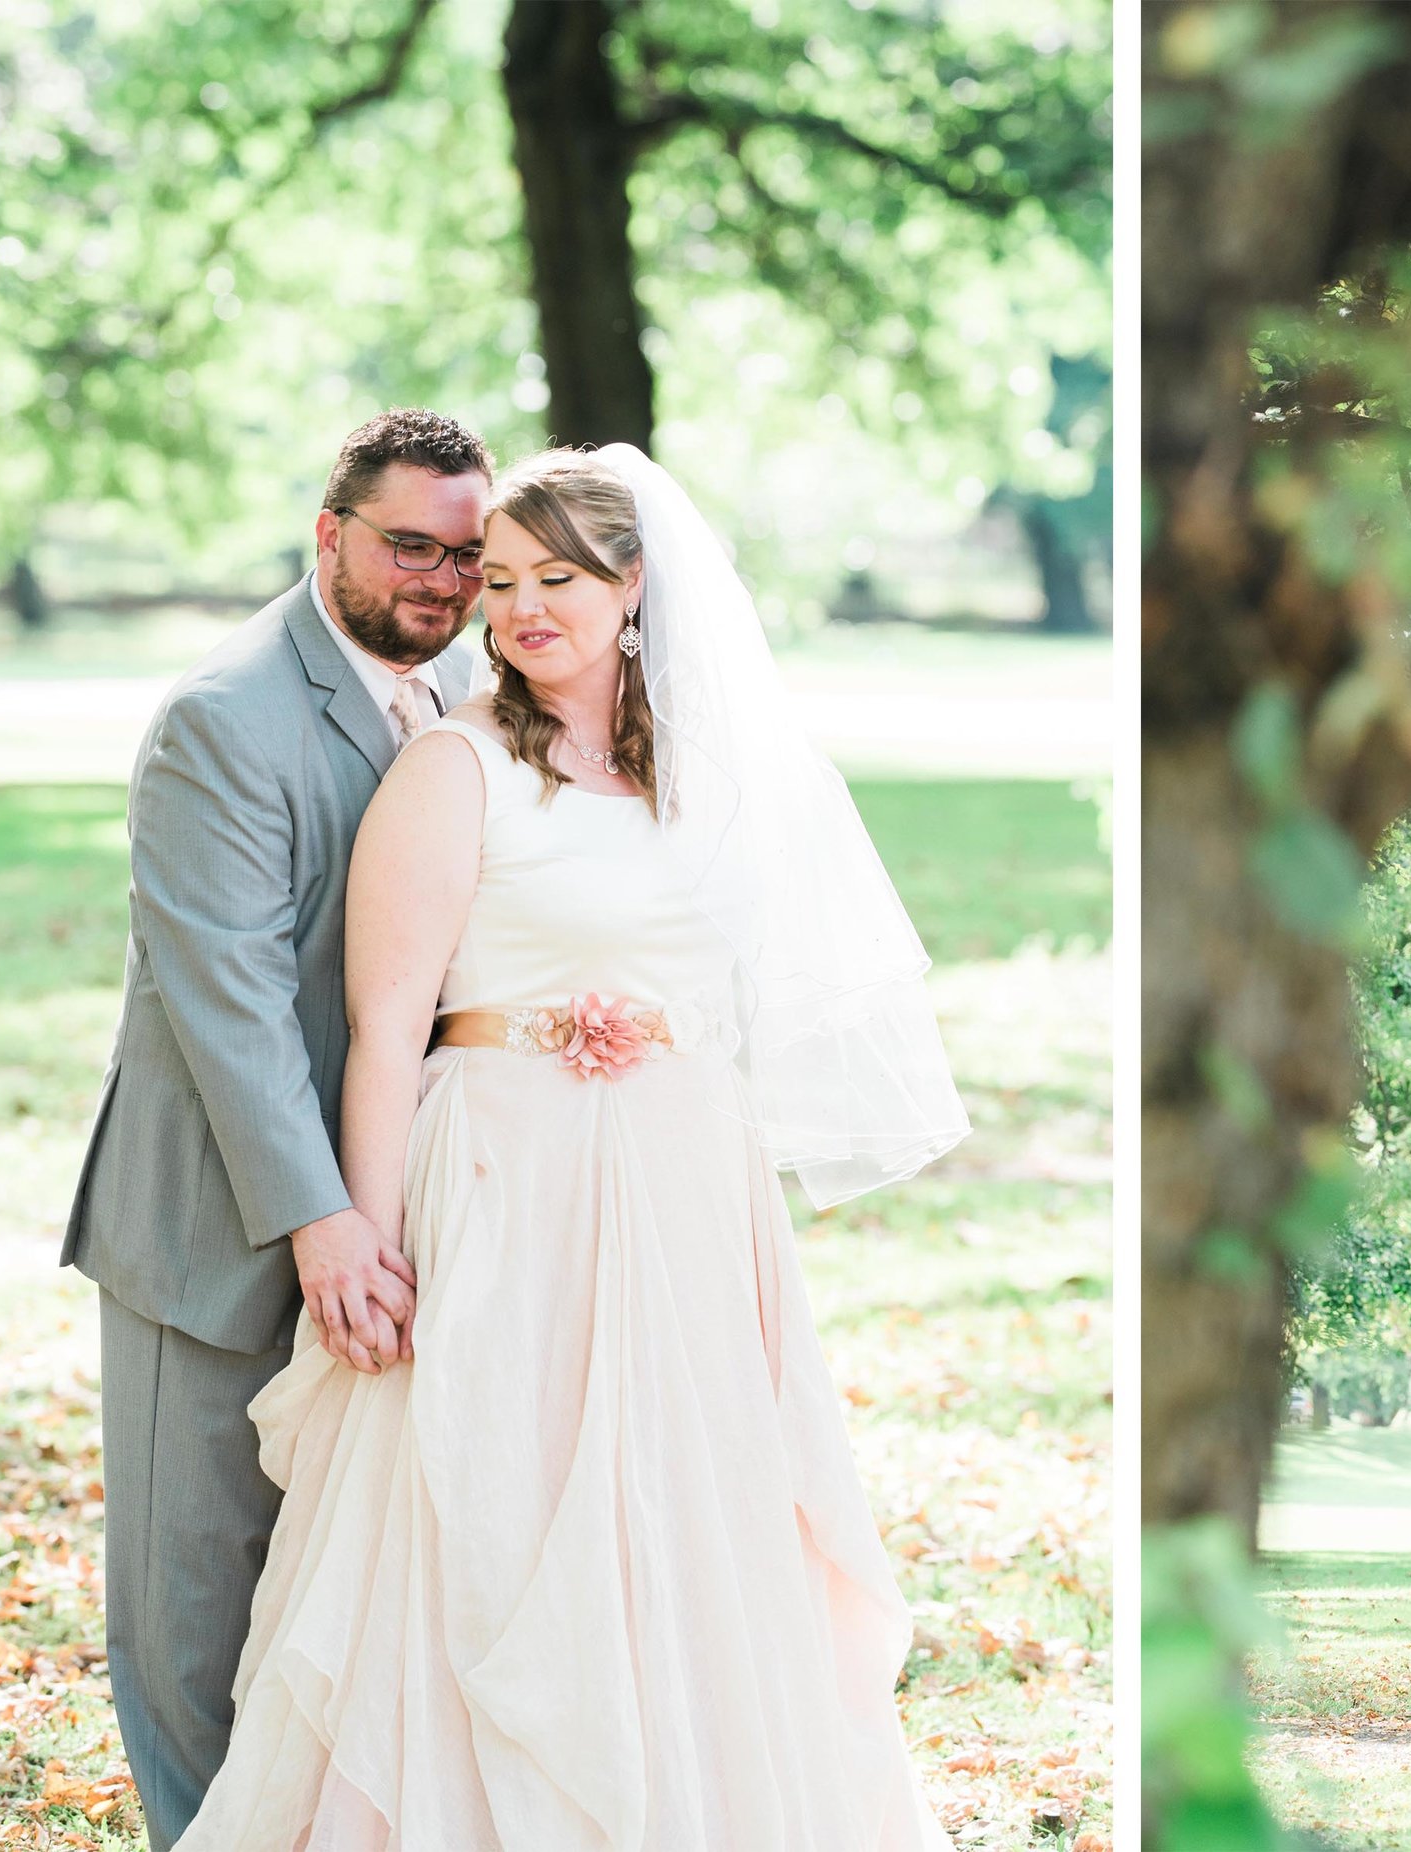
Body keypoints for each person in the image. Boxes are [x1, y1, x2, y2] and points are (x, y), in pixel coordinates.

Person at [173, 445, 970, 1848]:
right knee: (492, 1513)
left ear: (632, 584)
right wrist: (361, 1234)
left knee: (681, 1519)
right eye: (500, 580)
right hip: (498, 1184)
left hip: (679, 1197)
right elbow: (386, 1028)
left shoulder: (709, 780)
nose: (524, 606)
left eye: (560, 578)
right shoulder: (452, 766)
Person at [62, 410, 493, 1848]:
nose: (439, 579)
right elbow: (230, 1004)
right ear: (332, 536)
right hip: (216, 1225)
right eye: (408, 546)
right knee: (195, 1594)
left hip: (400, 1217)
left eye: (465, 553)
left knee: (342, 1589)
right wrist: (323, 1222)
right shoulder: (224, 716)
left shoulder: (468, 705)